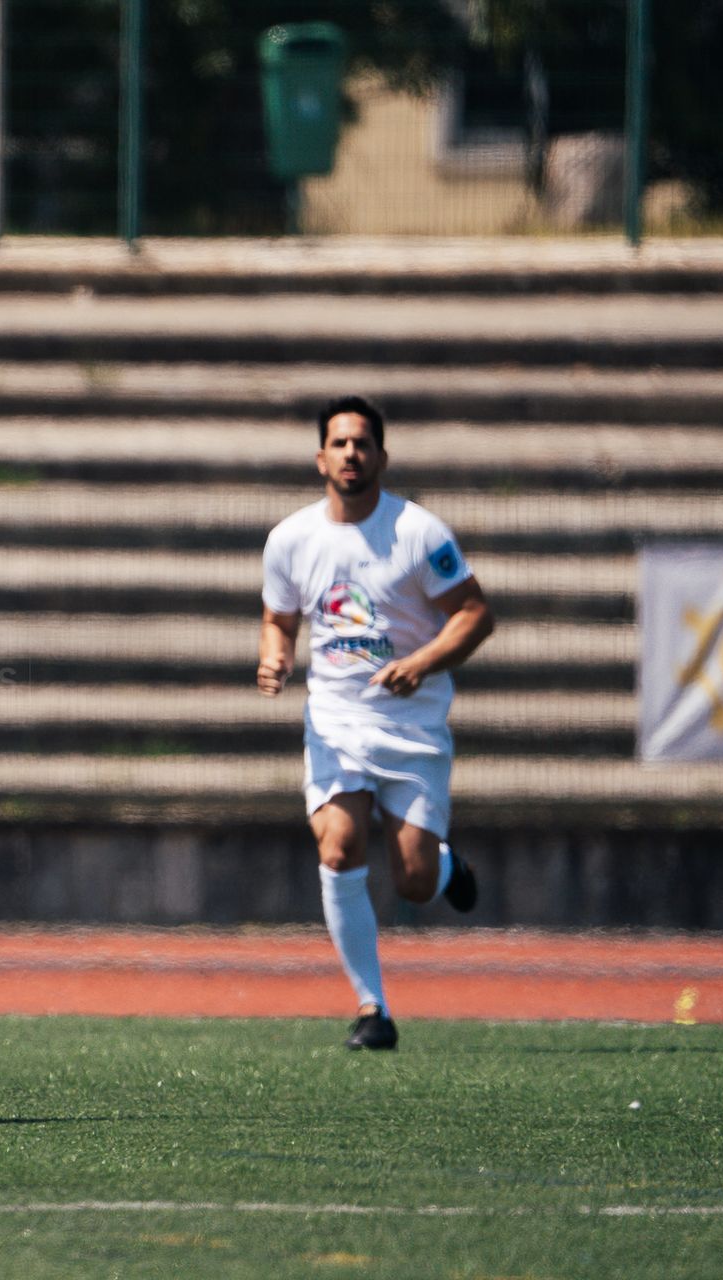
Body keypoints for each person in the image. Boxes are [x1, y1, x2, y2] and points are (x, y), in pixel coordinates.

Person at [257, 396, 494, 1051]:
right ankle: (373, 1007)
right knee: (338, 844)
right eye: (340, 443)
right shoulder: (291, 540)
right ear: (320, 458)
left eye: (363, 443)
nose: (351, 454)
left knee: (413, 881)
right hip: (335, 721)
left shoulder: (418, 533)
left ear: (382, 457)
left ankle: (447, 870)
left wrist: (421, 661)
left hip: (411, 728)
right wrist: (274, 656)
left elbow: (475, 614)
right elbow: (280, 618)